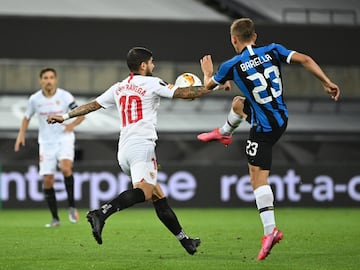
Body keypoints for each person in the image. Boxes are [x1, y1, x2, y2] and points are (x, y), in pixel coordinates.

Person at [47, 47, 224, 255]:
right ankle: (102, 213)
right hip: (142, 146)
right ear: (143, 65)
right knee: (146, 192)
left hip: (124, 150)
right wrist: (209, 80)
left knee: (158, 196)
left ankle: (186, 241)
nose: (153, 65)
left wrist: (65, 116)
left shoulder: (119, 87)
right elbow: (184, 93)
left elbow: (93, 105)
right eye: (151, 62)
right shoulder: (152, 83)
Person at [197, 18, 340, 261]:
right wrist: (327, 83)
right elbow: (305, 59)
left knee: (258, 179)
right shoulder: (273, 50)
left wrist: (208, 74)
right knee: (239, 104)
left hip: (264, 129)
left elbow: (204, 89)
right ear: (254, 36)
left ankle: (270, 231)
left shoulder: (232, 64)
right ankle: (224, 132)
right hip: (281, 118)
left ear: (234, 40)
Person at [14, 68, 85, 227]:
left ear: (56, 80)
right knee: (48, 180)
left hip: (64, 138)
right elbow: (26, 118)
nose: (48, 80)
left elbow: (81, 113)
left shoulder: (65, 96)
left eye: (51, 77)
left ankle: (72, 207)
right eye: (45, 78)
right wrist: (21, 135)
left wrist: (71, 125)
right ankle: (55, 218)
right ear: (40, 80)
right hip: (46, 143)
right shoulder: (35, 99)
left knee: (66, 168)